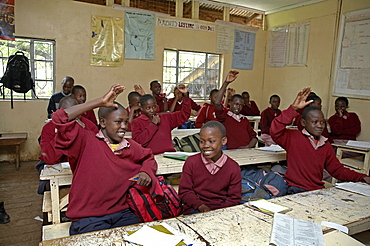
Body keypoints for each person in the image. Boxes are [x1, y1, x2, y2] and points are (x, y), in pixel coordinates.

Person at [52, 84, 158, 235]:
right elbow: (59, 118)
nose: (123, 127)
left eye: (125, 122)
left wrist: (146, 172)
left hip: (122, 213)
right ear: (102, 122)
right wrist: (100, 102)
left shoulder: (130, 146)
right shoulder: (86, 141)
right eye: (117, 122)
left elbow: (148, 156)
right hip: (88, 218)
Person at [270, 87, 370, 194]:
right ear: (303, 123)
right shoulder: (293, 137)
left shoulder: (325, 144)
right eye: (315, 122)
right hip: (295, 188)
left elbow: (337, 170)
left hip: (316, 190)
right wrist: (293, 109)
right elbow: (275, 130)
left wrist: (362, 177)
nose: (320, 126)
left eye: (322, 122)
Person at [36, 96, 99, 194]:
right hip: (54, 165)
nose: (70, 117)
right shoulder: (49, 128)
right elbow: (49, 159)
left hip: (81, 165)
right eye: (66, 114)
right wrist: (62, 133)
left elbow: (95, 154)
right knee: (47, 185)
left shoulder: (89, 126)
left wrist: (82, 132)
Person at [179, 121, 242, 214]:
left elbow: (234, 199)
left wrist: (217, 212)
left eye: (211, 141)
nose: (205, 146)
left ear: (223, 141)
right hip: (195, 209)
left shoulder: (233, 167)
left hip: (222, 211)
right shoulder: (191, 162)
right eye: (202, 141)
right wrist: (201, 206)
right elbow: (184, 192)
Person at [131, 84, 191, 155]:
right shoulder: (137, 122)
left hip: (169, 154)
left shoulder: (165, 117)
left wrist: (186, 97)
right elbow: (139, 142)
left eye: (154, 107)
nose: (152, 110)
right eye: (148, 108)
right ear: (141, 108)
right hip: (150, 157)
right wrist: (153, 125)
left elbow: (184, 115)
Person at [214, 71, 257, 149]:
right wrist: (226, 83)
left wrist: (247, 147)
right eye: (236, 104)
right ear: (230, 103)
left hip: (246, 151)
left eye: (241, 105)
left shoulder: (244, 119)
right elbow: (217, 103)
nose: (238, 107)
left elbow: (254, 137)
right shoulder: (225, 116)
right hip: (231, 152)